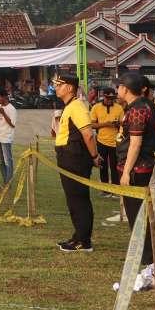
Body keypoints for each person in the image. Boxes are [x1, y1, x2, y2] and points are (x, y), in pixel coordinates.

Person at [114, 72, 155, 265]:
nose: (117, 90)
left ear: (125, 89)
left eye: (119, 86)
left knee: (136, 213)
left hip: (136, 169)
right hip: (132, 166)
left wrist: (126, 171)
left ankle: (146, 256)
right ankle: (143, 252)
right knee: (134, 213)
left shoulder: (138, 109)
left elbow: (135, 143)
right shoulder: (134, 107)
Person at [53, 72, 100, 252]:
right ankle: (78, 235)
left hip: (75, 159)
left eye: (60, 85)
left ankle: (84, 241)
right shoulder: (70, 106)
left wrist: (95, 156)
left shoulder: (77, 106)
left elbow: (88, 134)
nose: (57, 88)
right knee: (73, 199)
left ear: (70, 88)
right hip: (68, 157)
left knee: (79, 199)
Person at [90, 88, 123, 191]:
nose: (110, 100)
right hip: (101, 141)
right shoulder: (96, 107)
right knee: (103, 166)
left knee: (115, 167)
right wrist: (105, 124)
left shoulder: (119, 108)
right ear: (103, 96)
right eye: (108, 98)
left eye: (112, 98)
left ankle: (115, 189)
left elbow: (123, 124)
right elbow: (92, 125)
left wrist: (118, 124)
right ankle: (104, 189)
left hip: (115, 142)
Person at [0, 89, 18, 186]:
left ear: (4, 97)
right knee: (0, 161)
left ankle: (8, 182)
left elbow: (12, 124)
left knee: (8, 160)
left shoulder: (12, 109)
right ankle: (6, 181)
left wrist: (3, 113)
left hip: (7, 138)